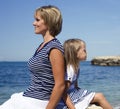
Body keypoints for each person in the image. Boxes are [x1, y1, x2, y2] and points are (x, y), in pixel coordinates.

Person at [0, 5, 65, 109]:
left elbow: (60, 85)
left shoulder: (54, 49)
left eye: (37, 20)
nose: (33, 23)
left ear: (49, 22)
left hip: (39, 101)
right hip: (31, 96)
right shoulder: (42, 46)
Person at [58, 38, 113, 109]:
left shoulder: (75, 66)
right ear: (75, 52)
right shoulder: (70, 69)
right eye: (84, 50)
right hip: (68, 97)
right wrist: (72, 107)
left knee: (97, 96)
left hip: (74, 92)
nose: (86, 52)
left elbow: (75, 85)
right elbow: (63, 91)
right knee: (100, 96)